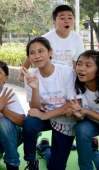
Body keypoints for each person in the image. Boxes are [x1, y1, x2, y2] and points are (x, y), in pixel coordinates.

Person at [21, 37, 76, 170]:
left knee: (56, 167)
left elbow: (72, 103)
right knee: (29, 122)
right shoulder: (31, 76)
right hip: (43, 117)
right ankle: (31, 160)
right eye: (32, 53)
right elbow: (34, 109)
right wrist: (35, 88)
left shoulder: (67, 72)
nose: (37, 56)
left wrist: (45, 115)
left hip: (65, 119)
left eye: (41, 51)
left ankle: (44, 147)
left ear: (50, 52)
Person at [19, 4, 85, 82]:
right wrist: (22, 75)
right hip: (45, 78)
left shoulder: (77, 39)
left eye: (70, 18)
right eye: (62, 18)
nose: (67, 21)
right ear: (54, 22)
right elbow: (31, 57)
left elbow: (76, 64)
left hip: (65, 79)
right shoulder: (45, 39)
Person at [70, 50, 99, 170]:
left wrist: (85, 111)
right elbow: (80, 117)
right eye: (79, 64)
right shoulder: (78, 86)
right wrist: (78, 113)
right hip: (92, 122)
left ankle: (92, 150)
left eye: (88, 65)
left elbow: (85, 112)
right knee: (82, 129)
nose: (81, 69)